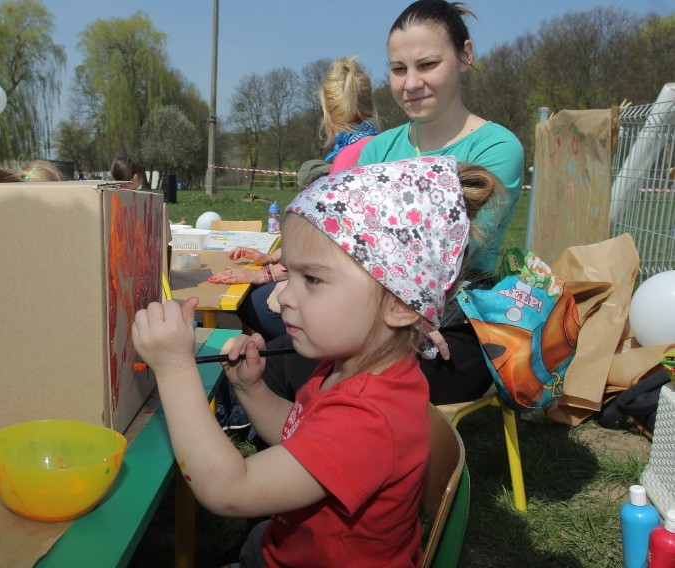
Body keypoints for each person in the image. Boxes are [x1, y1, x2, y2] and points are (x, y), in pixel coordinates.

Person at [133, 156, 498, 567]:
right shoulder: (351, 368)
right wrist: (252, 390)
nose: (285, 296)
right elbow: (303, 436)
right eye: (289, 274)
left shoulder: (371, 417)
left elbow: (229, 490)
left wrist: (174, 369)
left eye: (313, 279)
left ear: (399, 304)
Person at [264, 0, 525, 406]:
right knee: (279, 346)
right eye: (399, 69)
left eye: (427, 65)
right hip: (368, 312)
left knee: (309, 366)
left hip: (457, 320)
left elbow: (452, 254)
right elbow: (343, 241)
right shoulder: (378, 149)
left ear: (465, 56)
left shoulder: (497, 146)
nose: (411, 83)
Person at [209, 56, 380, 340]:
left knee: (249, 304)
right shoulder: (376, 146)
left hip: (346, 305)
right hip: (356, 293)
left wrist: (264, 275)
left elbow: (325, 248)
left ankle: (283, 373)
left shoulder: (348, 159)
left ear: (326, 109)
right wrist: (271, 257)